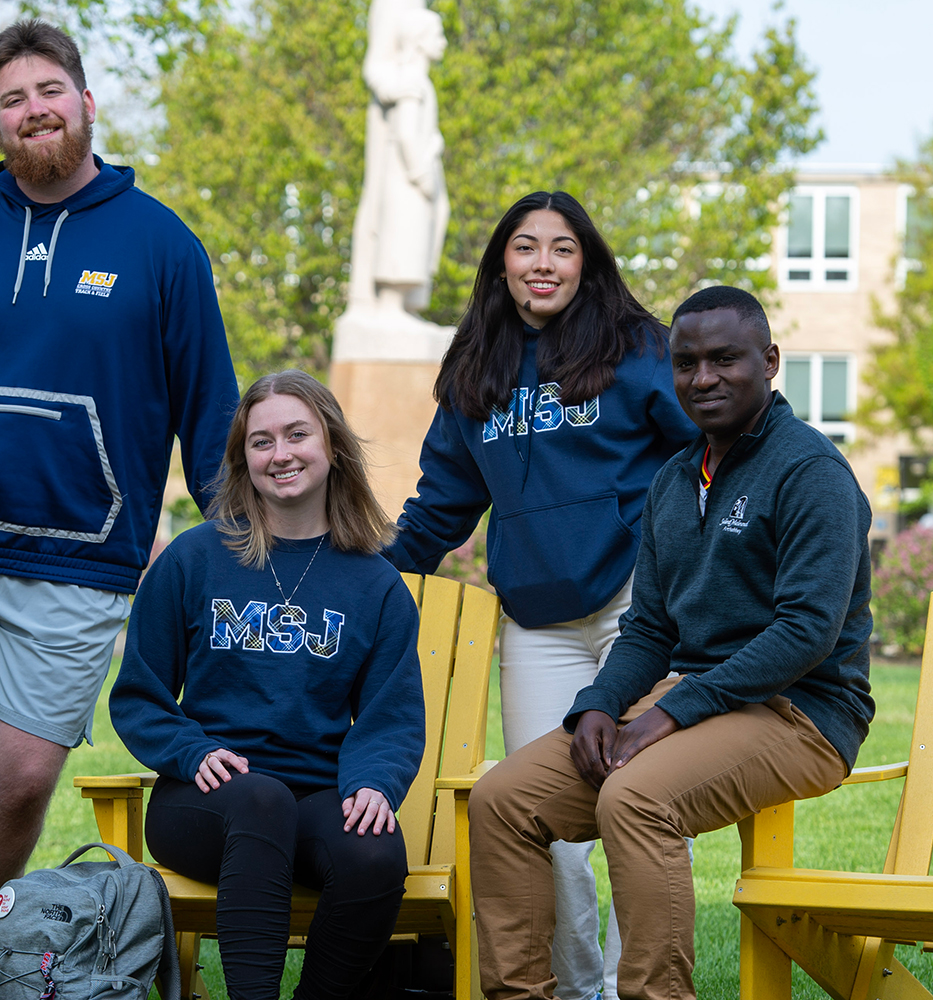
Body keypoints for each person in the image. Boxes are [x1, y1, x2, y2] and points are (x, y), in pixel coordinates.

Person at [0, 18, 240, 931]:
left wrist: (234, 539)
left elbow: (208, 406)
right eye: (10, 100)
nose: (33, 112)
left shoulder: (163, 247)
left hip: (82, 555)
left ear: (88, 104)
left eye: (49, 92)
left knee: (19, 785)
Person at [468, 285, 876, 1000]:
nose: (704, 378)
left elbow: (808, 630)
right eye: (686, 363)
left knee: (635, 798)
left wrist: (672, 712)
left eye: (725, 359)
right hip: (695, 699)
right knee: (502, 799)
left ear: (770, 361)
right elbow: (650, 629)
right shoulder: (673, 480)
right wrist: (599, 704)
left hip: (804, 712)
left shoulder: (810, 471)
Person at [380, 190, 697, 1000]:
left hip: (641, 610)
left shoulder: (636, 348)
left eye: (562, 247)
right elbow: (442, 503)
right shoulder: (475, 369)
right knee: (541, 819)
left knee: (641, 798)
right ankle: (576, 988)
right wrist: (366, 571)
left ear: (586, 260)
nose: (543, 263)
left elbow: (709, 441)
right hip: (537, 624)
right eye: (525, 247)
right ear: (502, 264)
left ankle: (644, 987)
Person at [108, 370, 426, 1000]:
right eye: (261, 441)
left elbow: (391, 716)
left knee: (375, 853)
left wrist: (372, 784)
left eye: (296, 434)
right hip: (205, 797)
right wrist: (192, 751)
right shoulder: (194, 560)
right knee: (261, 800)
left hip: (314, 793)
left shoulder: (374, 583)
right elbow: (139, 695)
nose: (280, 454)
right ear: (242, 458)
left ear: (331, 446)